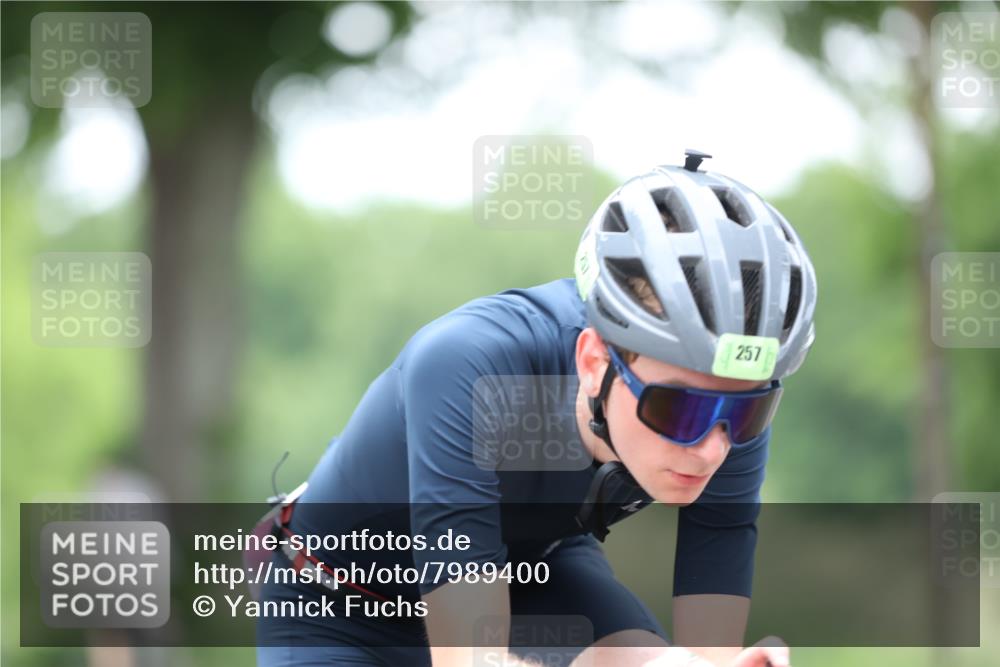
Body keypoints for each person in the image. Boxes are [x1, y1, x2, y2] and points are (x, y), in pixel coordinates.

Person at [256, 150, 817, 667]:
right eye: (678, 410)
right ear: (596, 361)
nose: (713, 446)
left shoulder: (726, 407)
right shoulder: (472, 363)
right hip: (338, 607)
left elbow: (707, 639)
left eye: (748, 412)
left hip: (535, 575)